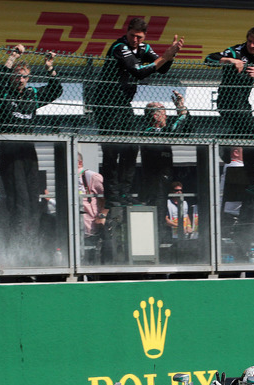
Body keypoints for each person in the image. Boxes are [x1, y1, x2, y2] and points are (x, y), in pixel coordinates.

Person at [96, 18, 184, 207]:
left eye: (139, 37)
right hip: (105, 103)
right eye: (132, 36)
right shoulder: (119, 47)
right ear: (127, 32)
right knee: (112, 150)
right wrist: (165, 56)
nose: (135, 40)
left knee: (131, 145)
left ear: (144, 36)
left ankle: (124, 193)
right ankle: (112, 196)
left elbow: (163, 69)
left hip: (123, 103)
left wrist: (171, 54)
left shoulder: (144, 48)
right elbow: (138, 72)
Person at [0, 44, 62, 261]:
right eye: (18, 76)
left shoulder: (32, 94)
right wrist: (12, 56)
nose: (21, 80)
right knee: (19, 203)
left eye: (25, 77)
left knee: (33, 201)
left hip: (28, 151)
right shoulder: (1, 92)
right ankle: (16, 250)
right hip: (9, 150)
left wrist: (49, 66)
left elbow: (56, 89)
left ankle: (33, 249)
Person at [206, 26, 254, 200]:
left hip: (244, 102)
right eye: (249, 41)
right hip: (227, 101)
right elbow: (209, 59)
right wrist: (230, 61)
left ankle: (253, 181)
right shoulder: (236, 51)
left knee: (248, 136)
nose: (251, 45)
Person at [77, 152, 106, 263]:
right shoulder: (65, 179)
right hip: (72, 232)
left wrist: (102, 215)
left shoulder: (92, 176)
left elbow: (105, 198)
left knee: (90, 262)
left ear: (79, 163)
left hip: (90, 231)